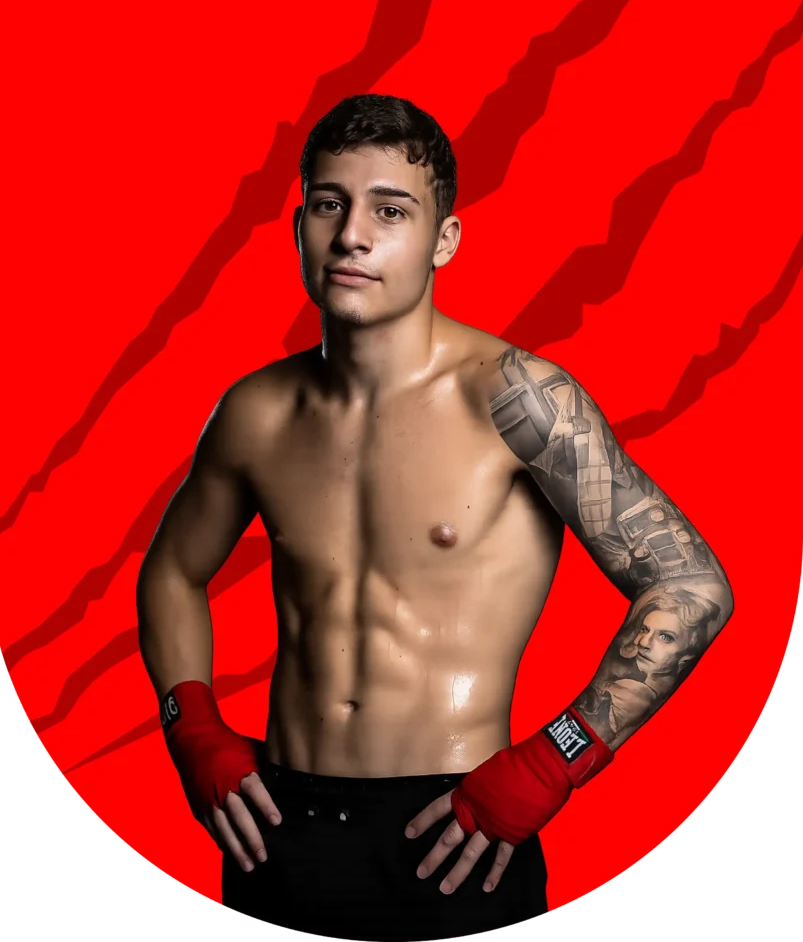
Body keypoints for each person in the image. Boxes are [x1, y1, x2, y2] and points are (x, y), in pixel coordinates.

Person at [136, 94, 735, 941]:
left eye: (390, 211)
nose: (352, 235)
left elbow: (688, 585)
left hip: (457, 830)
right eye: (329, 204)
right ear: (299, 226)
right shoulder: (256, 412)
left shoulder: (518, 400)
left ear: (442, 240)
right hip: (277, 827)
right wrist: (193, 729)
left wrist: (553, 761)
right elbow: (172, 571)